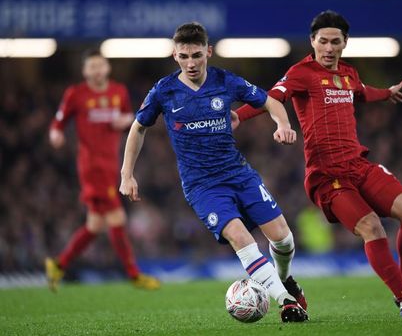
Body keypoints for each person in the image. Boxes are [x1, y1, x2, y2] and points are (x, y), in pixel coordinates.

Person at [234, 10, 402, 317]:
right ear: (312, 42)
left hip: (358, 165)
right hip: (327, 176)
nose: (329, 48)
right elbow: (270, 98)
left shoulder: (348, 73)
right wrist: (238, 116)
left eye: (335, 42)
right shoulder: (301, 72)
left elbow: (360, 92)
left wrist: (386, 94)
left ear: (345, 43)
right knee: (371, 227)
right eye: (323, 41)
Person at [119, 22, 308, 322]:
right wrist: (126, 174)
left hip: (238, 174)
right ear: (175, 55)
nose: (191, 63)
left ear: (208, 51)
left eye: (196, 55)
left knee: (283, 239)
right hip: (202, 186)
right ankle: (286, 301)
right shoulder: (164, 91)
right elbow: (138, 128)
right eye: (184, 56)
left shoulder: (226, 81)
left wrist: (282, 124)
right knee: (239, 235)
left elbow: (271, 101)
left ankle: (285, 280)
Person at [45, 49, 160, 291]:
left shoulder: (118, 92)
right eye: (92, 67)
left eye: (100, 66)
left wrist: (125, 120)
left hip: (111, 163)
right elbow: (59, 121)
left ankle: (59, 264)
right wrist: (55, 133)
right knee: (118, 218)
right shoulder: (75, 94)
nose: (97, 71)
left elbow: (133, 116)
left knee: (95, 225)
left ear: (107, 68)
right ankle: (133, 274)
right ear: (85, 71)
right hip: (92, 166)